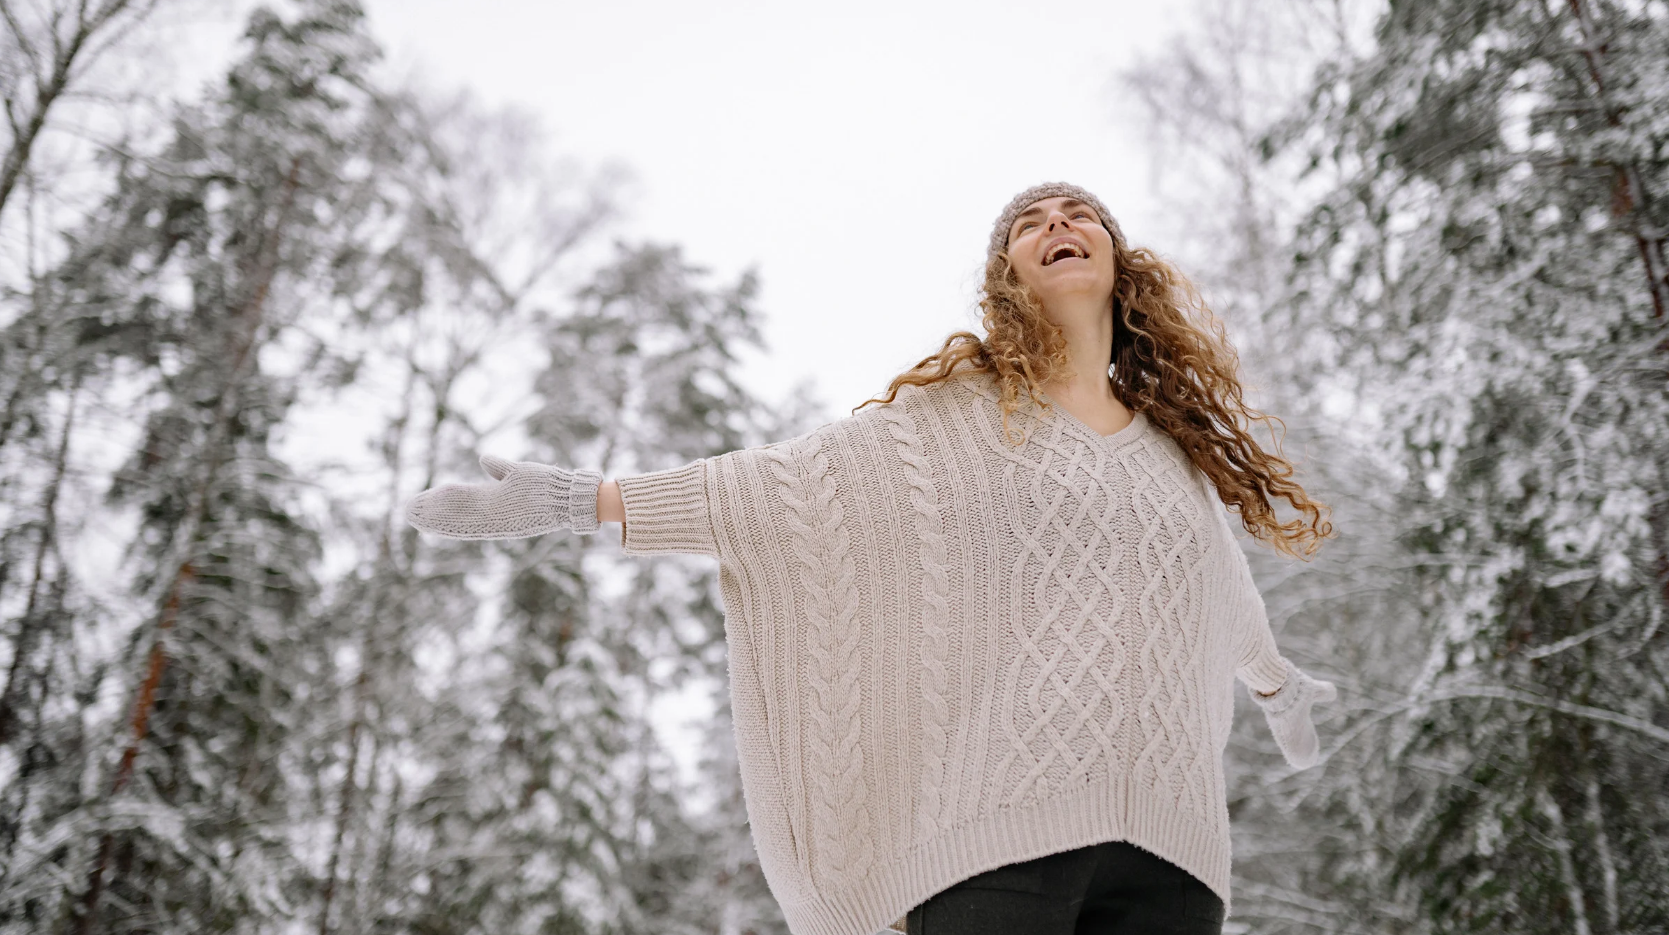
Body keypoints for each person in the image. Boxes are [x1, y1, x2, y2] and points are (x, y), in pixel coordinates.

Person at [406, 182, 1339, 935]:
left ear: (1120, 262)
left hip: (1176, 855)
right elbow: (777, 490)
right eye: (1030, 223)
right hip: (1000, 836)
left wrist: (1275, 683)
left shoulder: (1172, 458)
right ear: (1006, 276)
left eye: (1078, 213)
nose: (1057, 225)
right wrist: (582, 499)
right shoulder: (962, 417)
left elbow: (1218, 592)